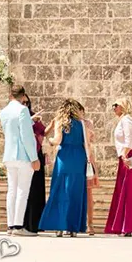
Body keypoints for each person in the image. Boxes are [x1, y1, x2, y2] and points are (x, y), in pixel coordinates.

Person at [38, 98, 93, 236]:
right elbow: (87, 144)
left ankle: (59, 226)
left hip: (64, 158)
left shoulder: (60, 122)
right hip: (79, 158)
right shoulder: (82, 124)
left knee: (61, 191)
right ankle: (73, 228)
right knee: (76, 192)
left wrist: (49, 141)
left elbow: (57, 140)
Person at [103, 99, 132, 236]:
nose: (113, 108)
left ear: (122, 106)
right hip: (127, 156)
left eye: (115, 105)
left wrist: (124, 155)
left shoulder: (126, 120)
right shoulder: (124, 120)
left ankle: (129, 226)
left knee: (129, 191)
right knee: (125, 191)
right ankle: (126, 226)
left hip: (128, 157)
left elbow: (129, 140)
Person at [0, 84, 39, 235]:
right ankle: (17, 225)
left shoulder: (4, 112)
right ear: (23, 96)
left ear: (10, 95)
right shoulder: (22, 110)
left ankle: (10, 225)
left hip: (9, 155)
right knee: (22, 190)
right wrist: (34, 158)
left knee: (12, 190)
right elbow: (27, 137)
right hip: (23, 155)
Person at [23, 100, 47, 235]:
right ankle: (24, 223)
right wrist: (30, 120)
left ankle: (36, 223)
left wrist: (55, 123)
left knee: (37, 189)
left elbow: (44, 132)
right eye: (23, 102)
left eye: (27, 102)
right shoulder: (19, 118)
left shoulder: (33, 116)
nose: (25, 104)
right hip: (25, 156)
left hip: (37, 154)